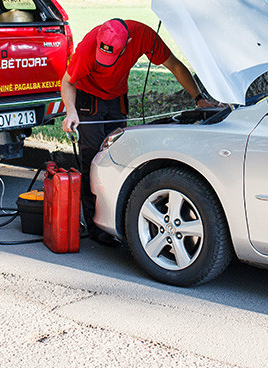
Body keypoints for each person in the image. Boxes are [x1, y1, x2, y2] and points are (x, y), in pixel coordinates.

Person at [61, 18, 218, 246]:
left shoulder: (142, 35)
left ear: (128, 44)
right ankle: (94, 226)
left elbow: (174, 65)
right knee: (93, 159)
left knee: (119, 157)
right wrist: (71, 112)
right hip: (88, 98)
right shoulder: (88, 47)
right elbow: (67, 82)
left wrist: (199, 99)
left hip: (116, 97)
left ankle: (117, 219)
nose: (106, 62)